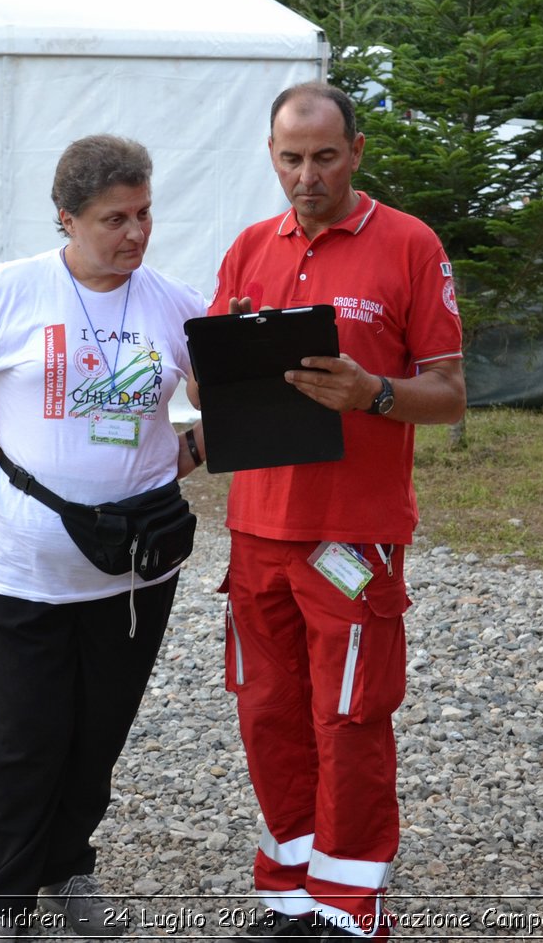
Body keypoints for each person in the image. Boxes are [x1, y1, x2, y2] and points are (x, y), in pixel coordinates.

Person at [0, 135, 206, 940]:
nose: (134, 234)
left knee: (99, 735)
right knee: (27, 738)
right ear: (67, 219)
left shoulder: (174, 302)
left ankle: (68, 869)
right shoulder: (12, 291)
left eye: (143, 214)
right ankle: (2, 899)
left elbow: (225, 398)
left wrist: (187, 451)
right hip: (18, 568)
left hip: (133, 571)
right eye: (112, 219)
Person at [201, 83, 466, 939]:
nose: (305, 177)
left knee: (350, 718)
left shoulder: (410, 245)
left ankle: (350, 910)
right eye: (289, 158)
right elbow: (210, 380)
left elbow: (451, 395)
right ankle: (290, 897)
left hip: (353, 536)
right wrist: (230, 357)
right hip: (256, 532)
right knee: (269, 715)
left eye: (322, 157)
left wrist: (373, 392)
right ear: (271, 156)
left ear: (356, 149)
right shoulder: (249, 248)